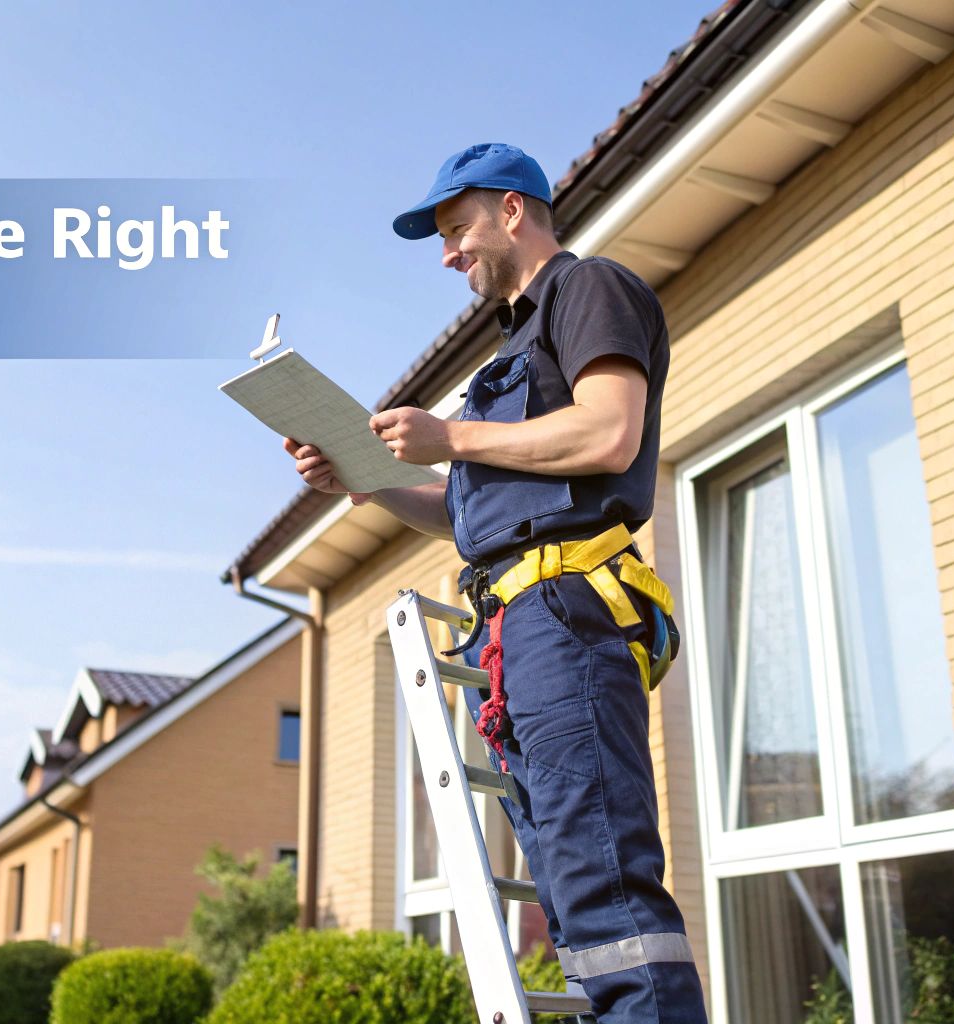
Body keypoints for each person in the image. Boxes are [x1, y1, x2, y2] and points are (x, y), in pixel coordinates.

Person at [282, 143, 707, 1024]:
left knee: (607, 894)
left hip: (569, 617)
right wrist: (365, 483)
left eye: (454, 229)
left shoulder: (591, 290)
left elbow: (608, 436)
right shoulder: (506, 360)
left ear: (512, 210)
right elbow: (469, 518)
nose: (446, 255)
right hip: (516, 628)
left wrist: (453, 438)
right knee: (568, 897)